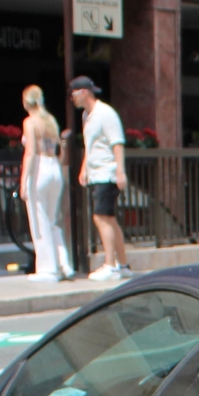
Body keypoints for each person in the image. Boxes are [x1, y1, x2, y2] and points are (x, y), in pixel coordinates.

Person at [70, 75, 130, 280]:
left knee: (100, 217)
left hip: (108, 172)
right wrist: (84, 168)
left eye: (74, 95)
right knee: (109, 219)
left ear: (83, 92)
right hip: (96, 173)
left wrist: (120, 171)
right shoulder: (87, 116)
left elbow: (117, 142)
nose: (72, 99)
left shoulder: (105, 114)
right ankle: (122, 264)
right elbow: (91, 144)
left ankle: (109, 264)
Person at [17, 87, 72, 281]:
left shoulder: (30, 122)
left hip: (40, 169)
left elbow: (30, 152)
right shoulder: (50, 121)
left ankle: (47, 269)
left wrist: (24, 180)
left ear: (25, 102)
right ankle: (63, 262)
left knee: (39, 221)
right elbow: (60, 151)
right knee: (52, 220)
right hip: (54, 168)